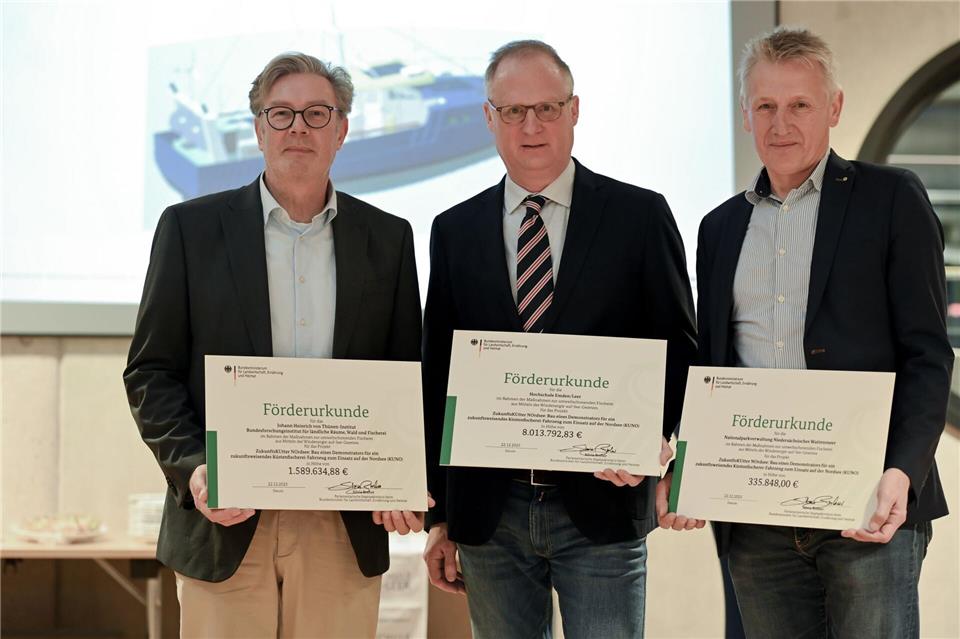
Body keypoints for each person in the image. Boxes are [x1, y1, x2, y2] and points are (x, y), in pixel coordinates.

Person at [657, 27, 953, 638]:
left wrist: (903, 470)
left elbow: (927, 354)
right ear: (745, 114)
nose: (780, 123)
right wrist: (685, 463)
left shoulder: (892, 199)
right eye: (765, 105)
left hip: (869, 503)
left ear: (834, 108)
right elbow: (712, 367)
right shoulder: (720, 228)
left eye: (799, 105)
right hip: (755, 514)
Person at [124, 52, 425, 638]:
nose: (298, 129)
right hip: (226, 521)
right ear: (258, 129)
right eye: (280, 114)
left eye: (317, 114)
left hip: (343, 525)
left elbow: (404, 375)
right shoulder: (190, 230)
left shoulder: (387, 239)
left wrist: (403, 480)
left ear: (341, 130)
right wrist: (193, 468)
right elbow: (150, 373)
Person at [421, 40, 697, 638]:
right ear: (489, 118)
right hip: (490, 512)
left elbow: (679, 350)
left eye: (547, 108)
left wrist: (653, 441)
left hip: (600, 506)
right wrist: (441, 516)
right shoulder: (454, 229)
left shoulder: (640, 216)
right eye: (513, 111)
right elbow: (438, 375)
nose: (531, 126)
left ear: (575, 111)